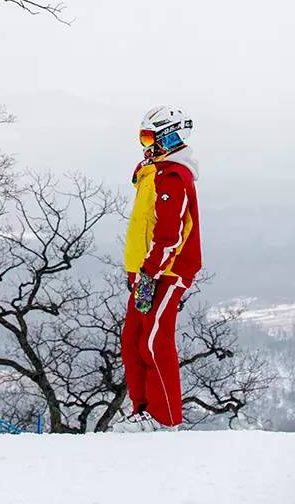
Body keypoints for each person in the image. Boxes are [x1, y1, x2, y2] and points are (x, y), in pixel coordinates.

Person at [121, 105, 202, 427]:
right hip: (147, 270)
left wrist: (150, 271)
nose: (145, 144)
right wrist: (136, 270)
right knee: (132, 340)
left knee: (155, 340)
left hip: (168, 271)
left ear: (168, 136)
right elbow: (143, 226)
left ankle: (165, 419)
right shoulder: (153, 173)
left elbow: (169, 233)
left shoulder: (173, 177)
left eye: (149, 137)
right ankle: (141, 411)